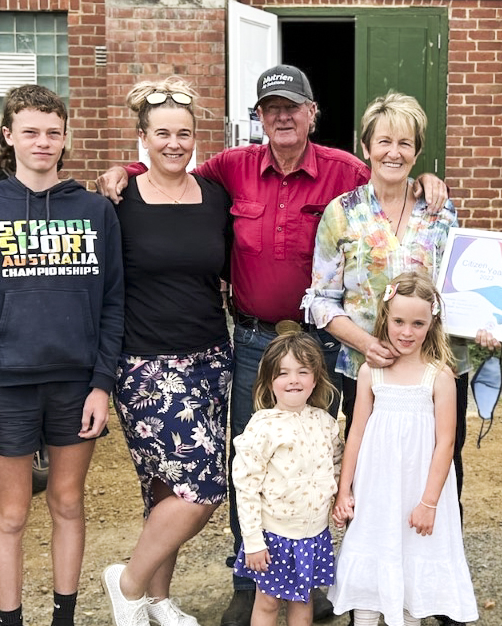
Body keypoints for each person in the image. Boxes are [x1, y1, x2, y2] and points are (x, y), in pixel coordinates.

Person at [95, 66, 447, 626]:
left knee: (316, 456)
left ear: (312, 114)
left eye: (293, 107)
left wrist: (426, 180)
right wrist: (126, 169)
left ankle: (309, 577)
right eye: (272, 108)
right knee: (254, 454)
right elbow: (170, 167)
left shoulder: (344, 171)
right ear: (258, 116)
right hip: (254, 339)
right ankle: (251, 579)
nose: (283, 117)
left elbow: (392, 170)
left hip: (320, 343)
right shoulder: (230, 168)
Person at [0, 84, 124, 626]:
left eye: (52, 132)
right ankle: (11, 620)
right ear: (9, 136)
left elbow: (113, 302)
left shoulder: (95, 211)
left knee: (67, 502)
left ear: (65, 138)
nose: (43, 142)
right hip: (6, 386)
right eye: (30, 132)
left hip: (76, 385)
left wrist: (102, 384)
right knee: (11, 513)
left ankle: (64, 617)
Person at [306, 91, 500, 508]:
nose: (393, 153)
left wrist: (486, 322)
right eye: (384, 142)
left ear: (416, 152)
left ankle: (435, 542)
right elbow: (320, 300)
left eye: (404, 143)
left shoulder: (440, 212)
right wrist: (365, 343)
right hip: (367, 368)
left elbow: (461, 289)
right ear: (366, 148)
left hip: (438, 367)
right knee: (372, 465)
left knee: (440, 461)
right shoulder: (342, 213)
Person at [101, 78, 233, 626]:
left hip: (211, 359)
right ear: (143, 138)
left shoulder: (215, 198)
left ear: (195, 138)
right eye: (162, 134)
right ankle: (127, 583)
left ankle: (157, 601)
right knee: (202, 488)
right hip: (145, 363)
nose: (174, 143)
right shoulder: (119, 201)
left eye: (183, 134)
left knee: (166, 488)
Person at [328, 271, 478, 626]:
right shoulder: (371, 373)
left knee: (414, 570)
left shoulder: (440, 376)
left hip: (419, 493)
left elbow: (446, 443)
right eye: (398, 321)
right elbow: (356, 434)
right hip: (376, 491)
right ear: (385, 318)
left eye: (417, 323)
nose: (406, 332)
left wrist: (429, 503)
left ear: (432, 323)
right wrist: (344, 490)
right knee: (370, 567)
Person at [231, 332, 343, 626]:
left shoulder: (326, 422)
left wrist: (340, 499)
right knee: (268, 602)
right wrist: (253, 540)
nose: (293, 380)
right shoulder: (262, 426)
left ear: (316, 378)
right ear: (269, 381)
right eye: (283, 373)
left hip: (313, 534)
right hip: (273, 536)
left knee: (303, 600)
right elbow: (246, 485)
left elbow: (335, 466)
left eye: (302, 371)